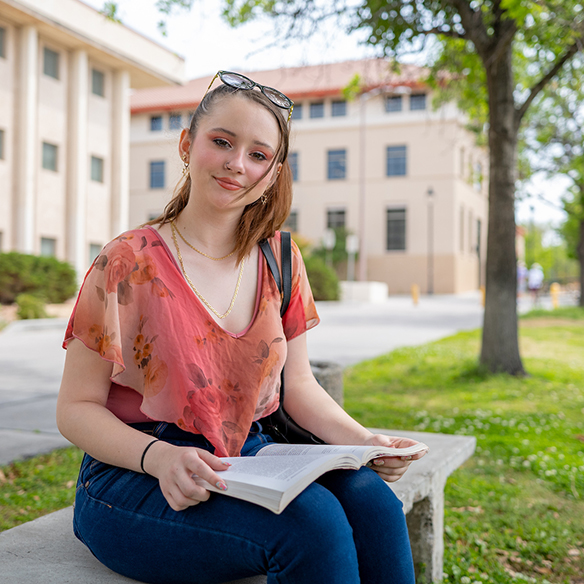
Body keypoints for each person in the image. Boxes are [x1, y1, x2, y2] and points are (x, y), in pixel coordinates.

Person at [57, 70, 426, 584]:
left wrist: (367, 442)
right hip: (134, 474)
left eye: (258, 154)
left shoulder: (280, 256)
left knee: (372, 501)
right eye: (222, 142)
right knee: (311, 526)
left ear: (273, 173)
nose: (237, 164)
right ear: (187, 146)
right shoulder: (128, 261)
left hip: (246, 455)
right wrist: (159, 458)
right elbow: (75, 409)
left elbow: (298, 388)